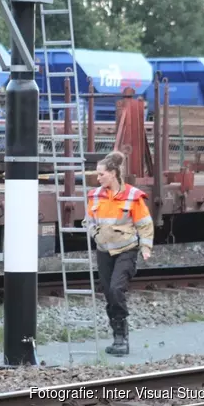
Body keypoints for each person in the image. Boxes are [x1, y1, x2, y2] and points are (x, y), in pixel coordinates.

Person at [83, 150, 153, 356]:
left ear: (113, 173)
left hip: (126, 250)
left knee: (116, 289)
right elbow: (88, 221)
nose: (98, 178)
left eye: (101, 174)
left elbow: (145, 225)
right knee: (108, 292)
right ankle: (117, 338)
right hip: (104, 250)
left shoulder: (133, 196)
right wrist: (95, 234)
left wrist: (146, 248)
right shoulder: (95, 196)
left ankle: (122, 337)